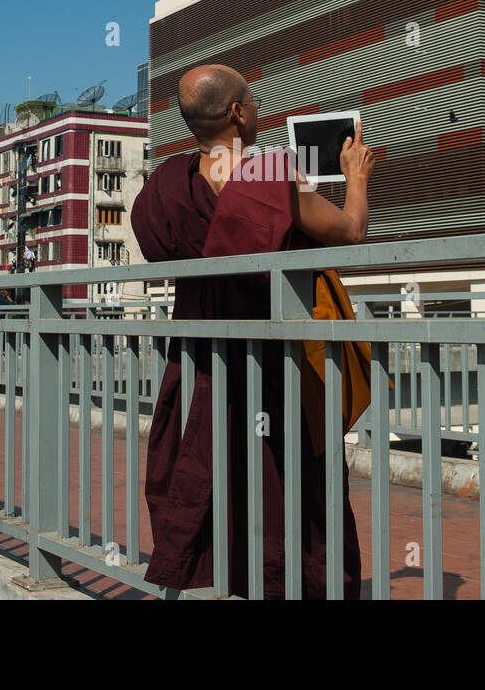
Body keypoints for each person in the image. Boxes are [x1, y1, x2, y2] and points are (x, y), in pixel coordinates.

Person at [130, 63, 375, 599]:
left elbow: (162, 244)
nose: (259, 110)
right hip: (272, 365)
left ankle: (223, 577)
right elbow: (351, 232)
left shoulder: (167, 183)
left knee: (214, 468)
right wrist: (354, 177)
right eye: (255, 101)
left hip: (201, 362)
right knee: (290, 486)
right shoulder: (267, 177)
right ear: (238, 113)